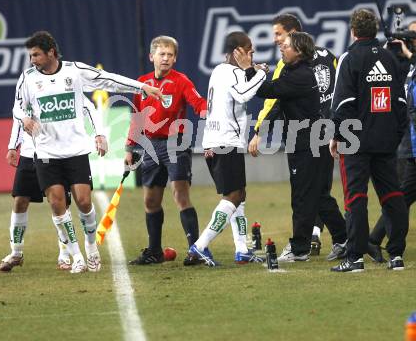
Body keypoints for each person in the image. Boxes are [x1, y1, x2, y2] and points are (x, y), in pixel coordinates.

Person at [13, 31, 162, 273]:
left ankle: (91, 245)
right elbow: (17, 107)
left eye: (36, 55)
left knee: (83, 201)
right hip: (46, 152)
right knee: (57, 203)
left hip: (75, 151)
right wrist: (25, 119)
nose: (33, 60)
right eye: (30, 56)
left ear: (51, 52)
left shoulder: (74, 71)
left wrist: (142, 87)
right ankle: (76, 255)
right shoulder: (27, 78)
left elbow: (108, 80)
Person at [248, 14, 347, 261]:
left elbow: (267, 91)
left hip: (309, 143)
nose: (281, 46)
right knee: (318, 196)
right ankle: (345, 238)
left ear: (299, 51)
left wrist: (248, 70)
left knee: (303, 196)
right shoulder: (296, 70)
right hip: (310, 140)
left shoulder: (300, 76)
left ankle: (300, 248)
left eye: (287, 44)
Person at [330, 8, 408, 272]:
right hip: (386, 141)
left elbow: (342, 104)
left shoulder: (349, 58)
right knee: (393, 196)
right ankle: (396, 255)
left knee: (356, 198)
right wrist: (395, 136)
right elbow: (400, 104)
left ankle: (355, 258)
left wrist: (339, 136)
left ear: (353, 31)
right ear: (374, 30)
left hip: (357, 142)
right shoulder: (390, 58)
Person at [186, 31, 268, 266]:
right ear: (237, 52)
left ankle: (242, 249)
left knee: (239, 194)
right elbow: (243, 95)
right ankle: (200, 246)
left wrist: (251, 71)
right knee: (233, 195)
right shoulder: (231, 72)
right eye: (249, 50)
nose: (252, 54)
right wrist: (260, 74)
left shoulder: (220, 71)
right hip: (225, 140)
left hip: (216, 140)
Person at [0, 98, 107, 272]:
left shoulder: (67, 77)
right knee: (20, 200)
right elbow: (18, 114)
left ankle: (65, 253)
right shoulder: (26, 80)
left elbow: (87, 106)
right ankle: (16, 252)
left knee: (61, 203)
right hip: (29, 153)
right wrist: (13, 145)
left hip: (57, 153)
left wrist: (99, 134)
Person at [125, 36, 206, 265]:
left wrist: (207, 112)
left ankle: (195, 250)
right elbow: (137, 118)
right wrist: (130, 148)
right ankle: (154, 251)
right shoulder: (142, 83)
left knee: (180, 195)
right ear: (152, 57)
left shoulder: (181, 81)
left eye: (170, 55)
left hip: (175, 143)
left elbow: (197, 102)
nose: (166, 58)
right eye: (162, 54)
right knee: (150, 201)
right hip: (149, 145)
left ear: (175, 58)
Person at [368, 20, 416, 262]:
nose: (410, 40)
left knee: (400, 197)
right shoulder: (402, 66)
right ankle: (375, 240)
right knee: (399, 197)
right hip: (408, 146)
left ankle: (374, 239)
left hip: (409, 146)